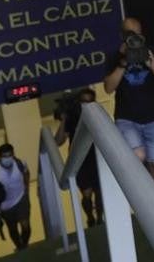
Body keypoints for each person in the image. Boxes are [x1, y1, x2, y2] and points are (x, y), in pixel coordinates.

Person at [103, 17, 154, 183]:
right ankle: (139, 201)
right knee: (138, 156)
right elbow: (108, 88)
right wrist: (122, 63)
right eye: (129, 34)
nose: (133, 37)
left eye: (137, 34)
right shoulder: (114, 56)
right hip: (127, 119)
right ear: (122, 35)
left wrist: (153, 67)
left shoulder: (151, 52)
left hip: (153, 119)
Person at [55, 88, 103, 226]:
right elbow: (58, 141)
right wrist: (64, 120)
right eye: (83, 102)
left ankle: (100, 218)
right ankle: (90, 217)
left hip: (96, 158)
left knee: (99, 192)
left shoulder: (98, 115)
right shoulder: (72, 118)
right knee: (86, 194)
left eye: (90, 102)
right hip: (80, 159)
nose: (86, 105)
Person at [0, 143, 31, 251]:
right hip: (5, 206)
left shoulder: (20, 163)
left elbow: (26, 173)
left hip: (21, 198)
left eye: (10, 155)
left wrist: (26, 189)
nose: (8, 158)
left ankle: (24, 244)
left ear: (13, 154)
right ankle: (19, 246)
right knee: (12, 229)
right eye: (5, 156)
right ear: (0, 157)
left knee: (26, 226)